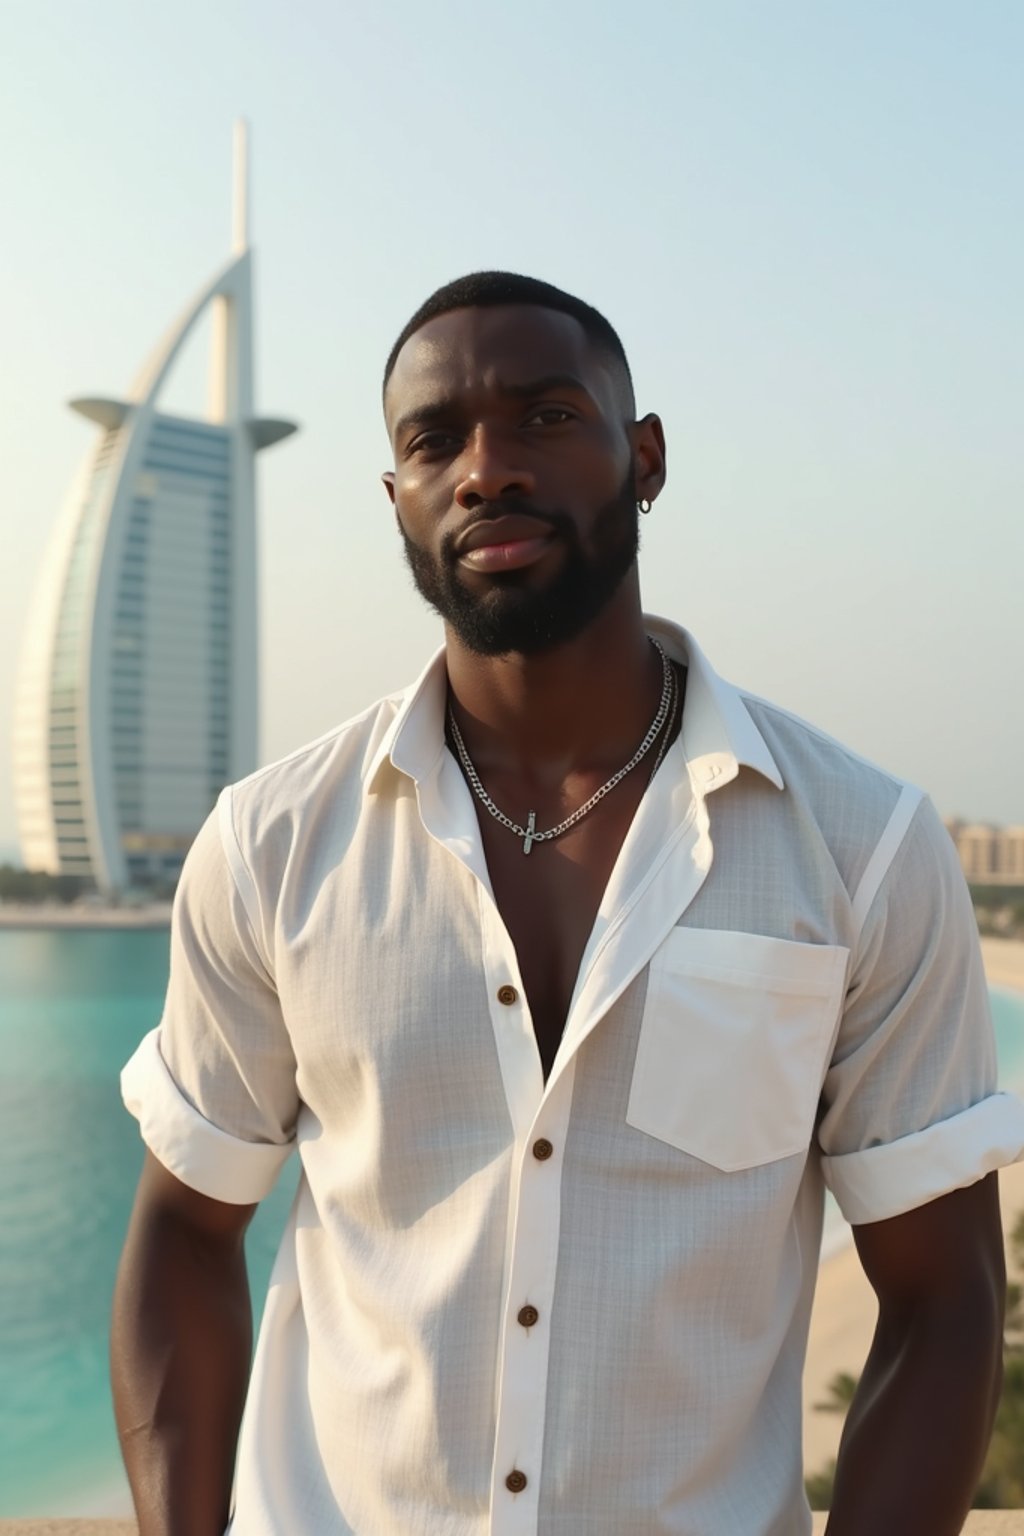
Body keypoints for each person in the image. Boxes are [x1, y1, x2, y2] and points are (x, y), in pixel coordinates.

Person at [112, 271, 1024, 1536]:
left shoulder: (863, 847)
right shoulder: (271, 846)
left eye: (545, 417)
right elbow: (183, 1231)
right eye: (435, 440)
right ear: (398, 500)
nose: (485, 469)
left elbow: (943, 1300)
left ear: (642, 458)